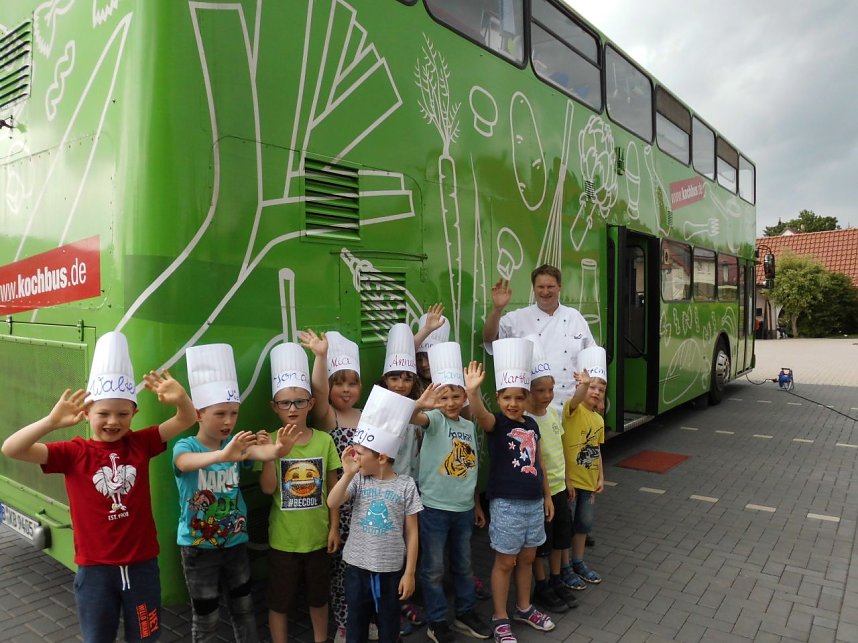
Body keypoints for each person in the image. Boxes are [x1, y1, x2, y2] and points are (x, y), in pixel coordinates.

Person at [1, 331, 197, 643]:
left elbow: (186, 420)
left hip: (142, 566)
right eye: (102, 413)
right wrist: (51, 422)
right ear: (86, 412)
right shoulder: (72, 452)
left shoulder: (141, 443)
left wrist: (182, 399)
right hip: (94, 572)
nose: (112, 421)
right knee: (97, 638)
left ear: (134, 413)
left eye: (122, 413)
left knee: (147, 636)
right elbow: (11, 448)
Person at [173, 343, 299, 642]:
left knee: (244, 609)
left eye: (234, 413)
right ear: (199, 414)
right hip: (198, 549)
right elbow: (183, 463)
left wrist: (278, 449)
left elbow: (262, 451)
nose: (229, 421)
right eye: (220, 413)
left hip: (235, 544)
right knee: (206, 618)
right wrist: (223, 455)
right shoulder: (187, 446)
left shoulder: (238, 446)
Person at [464, 338, 555, 643]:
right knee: (505, 561)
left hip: (533, 504)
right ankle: (500, 616)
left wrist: (546, 495)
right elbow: (479, 413)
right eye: (507, 398)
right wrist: (472, 391)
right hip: (505, 505)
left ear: (527, 399)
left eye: (519, 397)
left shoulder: (532, 425)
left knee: (528, 558)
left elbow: (539, 461)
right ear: (498, 398)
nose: (513, 404)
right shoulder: (497, 423)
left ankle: (524, 607)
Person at [328, 385, 423, 643]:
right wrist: (347, 473)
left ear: (381, 457)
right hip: (357, 569)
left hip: (391, 571)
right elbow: (332, 501)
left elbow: (413, 532)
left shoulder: (405, 485)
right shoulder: (358, 480)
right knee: (356, 626)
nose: (354, 457)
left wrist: (410, 572)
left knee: (389, 627)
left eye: (359, 453)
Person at [260, 343, 342, 643]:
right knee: (279, 600)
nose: (292, 409)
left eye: (299, 401)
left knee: (319, 598)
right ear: (275, 407)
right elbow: (269, 488)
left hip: (318, 539)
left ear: (311, 403)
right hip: (283, 541)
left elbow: (333, 488)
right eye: (285, 403)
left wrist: (334, 527)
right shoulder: (268, 440)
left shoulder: (323, 441)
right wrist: (271, 454)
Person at [410, 342, 491, 643]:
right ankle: (437, 620)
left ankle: (465, 611)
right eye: (444, 396)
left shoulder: (468, 426)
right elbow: (410, 417)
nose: (451, 401)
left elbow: (469, 468)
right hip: (433, 508)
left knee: (463, 564)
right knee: (432, 569)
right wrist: (422, 403)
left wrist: (477, 504)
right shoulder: (433, 420)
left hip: (463, 508)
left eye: (456, 395)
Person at [300, 329, 363, 643]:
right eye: (339, 383)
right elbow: (318, 390)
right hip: (341, 506)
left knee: (365, 564)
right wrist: (320, 356)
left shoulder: (365, 415)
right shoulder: (329, 418)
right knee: (340, 570)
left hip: (365, 504)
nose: (346, 390)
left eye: (352, 383)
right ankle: (343, 621)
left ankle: (365, 616)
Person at [482, 264, 596, 414]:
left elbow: (591, 358)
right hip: (532, 409)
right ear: (534, 288)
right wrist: (497, 309)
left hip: (571, 405)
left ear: (559, 287)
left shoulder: (574, 317)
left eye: (550, 286)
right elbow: (489, 337)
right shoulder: (518, 317)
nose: (545, 291)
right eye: (540, 287)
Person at [523, 337, 578, 614]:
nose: (547, 395)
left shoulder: (554, 415)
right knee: (540, 544)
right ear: (528, 393)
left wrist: (567, 480)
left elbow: (562, 449)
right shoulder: (525, 421)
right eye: (541, 391)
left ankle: (556, 580)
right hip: (541, 493)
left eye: (551, 389)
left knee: (560, 539)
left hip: (559, 488)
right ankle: (541, 585)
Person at [560, 346, 606, 590]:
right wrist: (583, 385)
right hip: (572, 482)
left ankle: (578, 562)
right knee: (567, 527)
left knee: (583, 526)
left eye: (600, 389)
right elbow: (577, 398)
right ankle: (566, 566)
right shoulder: (573, 410)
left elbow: (597, 450)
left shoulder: (598, 419)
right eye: (592, 388)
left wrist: (601, 476)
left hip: (589, 484)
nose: (595, 392)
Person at [413, 304, 450, 390]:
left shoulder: (455, 385)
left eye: (429, 358)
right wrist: (427, 329)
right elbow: (406, 352)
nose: (423, 364)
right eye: (419, 359)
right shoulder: (413, 384)